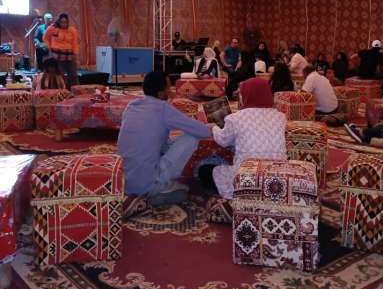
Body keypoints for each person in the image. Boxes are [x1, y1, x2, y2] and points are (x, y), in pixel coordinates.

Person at [118, 71, 212, 205]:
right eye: (169, 87)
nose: (171, 90)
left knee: (164, 141)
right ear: (161, 93)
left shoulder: (131, 106)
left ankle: (155, 188)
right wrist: (212, 127)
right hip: (147, 184)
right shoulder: (163, 108)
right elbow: (203, 131)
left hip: (123, 182)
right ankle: (158, 189)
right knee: (191, 137)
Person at [200, 78, 286, 199]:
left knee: (204, 170)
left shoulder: (235, 118)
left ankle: (242, 192)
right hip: (277, 178)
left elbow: (223, 140)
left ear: (246, 95)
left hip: (247, 177)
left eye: (240, 93)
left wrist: (214, 127)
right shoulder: (280, 117)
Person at [43, 13, 79, 88]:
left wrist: (75, 54)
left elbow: (75, 43)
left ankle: (75, 91)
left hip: (69, 56)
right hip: (56, 56)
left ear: (68, 22)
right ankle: (61, 92)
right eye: (62, 22)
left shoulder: (72, 30)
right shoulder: (52, 28)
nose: (63, 24)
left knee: (73, 75)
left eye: (65, 22)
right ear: (58, 21)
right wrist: (49, 48)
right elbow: (45, 38)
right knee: (60, 75)